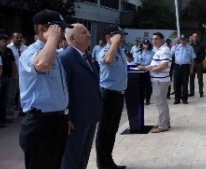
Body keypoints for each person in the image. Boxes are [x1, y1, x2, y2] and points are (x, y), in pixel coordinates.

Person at [18, 9, 72, 168]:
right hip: (40, 122)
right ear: (42, 29)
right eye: (58, 28)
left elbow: (59, 91)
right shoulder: (32, 52)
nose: (62, 32)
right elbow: (41, 65)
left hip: (57, 120)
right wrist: (52, 39)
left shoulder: (53, 52)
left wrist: (65, 116)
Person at [60, 24, 102, 169]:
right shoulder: (66, 58)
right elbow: (62, 89)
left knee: (83, 155)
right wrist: (67, 116)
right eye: (85, 33)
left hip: (89, 115)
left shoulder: (85, 55)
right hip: (76, 118)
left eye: (88, 32)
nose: (89, 35)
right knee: (71, 157)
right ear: (73, 38)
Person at [95, 25, 128, 169]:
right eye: (119, 36)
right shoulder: (105, 50)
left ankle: (109, 161)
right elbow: (108, 60)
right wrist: (113, 43)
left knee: (112, 130)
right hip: (107, 94)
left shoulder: (120, 51)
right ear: (109, 36)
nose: (122, 38)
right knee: (104, 130)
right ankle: (103, 164)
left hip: (118, 95)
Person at [139, 32, 171, 133]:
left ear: (162, 40)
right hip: (158, 80)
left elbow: (164, 65)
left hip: (160, 80)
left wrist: (151, 69)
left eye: (156, 39)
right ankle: (164, 122)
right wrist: (147, 67)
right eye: (153, 39)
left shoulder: (164, 50)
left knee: (160, 103)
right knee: (162, 103)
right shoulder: (158, 49)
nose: (154, 41)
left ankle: (163, 126)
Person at [0, 34, 16, 123]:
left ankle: (3, 116)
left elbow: (13, 63)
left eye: (7, 41)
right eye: (4, 41)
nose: (6, 43)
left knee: (7, 98)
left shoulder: (8, 50)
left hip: (8, 77)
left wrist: (15, 73)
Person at [170, 35, 195, 105]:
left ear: (186, 40)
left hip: (185, 67)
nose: (183, 41)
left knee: (185, 83)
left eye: (184, 39)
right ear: (180, 40)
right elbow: (169, 55)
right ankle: (177, 99)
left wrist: (192, 68)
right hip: (177, 66)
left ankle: (184, 99)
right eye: (181, 40)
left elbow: (192, 59)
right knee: (176, 83)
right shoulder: (175, 47)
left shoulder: (190, 48)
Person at [7, 32, 26, 117]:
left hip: (24, 74)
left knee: (23, 93)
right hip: (13, 74)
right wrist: (14, 73)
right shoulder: (8, 48)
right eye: (17, 37)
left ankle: (22, 109)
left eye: (20, 37)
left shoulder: (26, 48)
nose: (19, 39)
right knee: (12, 93)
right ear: (12, 38)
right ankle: (10, 110)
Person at [134, 39, 154, 105]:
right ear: (142, 45)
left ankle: (148, 100)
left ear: (149, 45)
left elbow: (153, 62)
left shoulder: (152, 53)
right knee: (140, 86)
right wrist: (139, 66)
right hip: (140, 71)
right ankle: (141, 100)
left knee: (148, 87)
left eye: (147, 44)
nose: (145, 45)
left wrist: (148, 67)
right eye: (144, 44)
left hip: (148, 70)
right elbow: (136, 62)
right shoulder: (138, 52)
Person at [189, 32, 205, 97]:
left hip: (199, 63)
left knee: (200, 78)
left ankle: (201, 92)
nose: (195, 38)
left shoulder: (201, 46)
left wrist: (197, 58)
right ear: (192, 37)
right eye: (194, 37)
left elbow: (204, 55)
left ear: (198, 37)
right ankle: (191, 92)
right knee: (191, 78)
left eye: (196, 37)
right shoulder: (190, 46)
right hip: (192, 64)